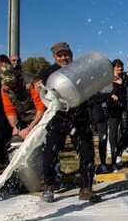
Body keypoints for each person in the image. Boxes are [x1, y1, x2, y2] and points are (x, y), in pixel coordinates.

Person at [36, 42, 101, 203]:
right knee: (51, 154)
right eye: (60, 55)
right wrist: (37, 84)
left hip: (79, 120)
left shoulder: (78, 70)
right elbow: (38, 82)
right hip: (57, 119)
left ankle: (86, 188)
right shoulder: (49, 71)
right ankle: (49, 186)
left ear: (71, 54)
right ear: (54, 57)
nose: (63, 58)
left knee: (87, 153)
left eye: (66, 54)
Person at [0, 65, 45, 140]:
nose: (11, 85)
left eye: (12, 82)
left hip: (40, 118)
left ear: (16, 75)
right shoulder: (5, 89)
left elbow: (41, 108)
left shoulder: (31, 84)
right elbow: (10, 110)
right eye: (8, 83)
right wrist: (14, 127)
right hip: (23, 119)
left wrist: (30, 127)